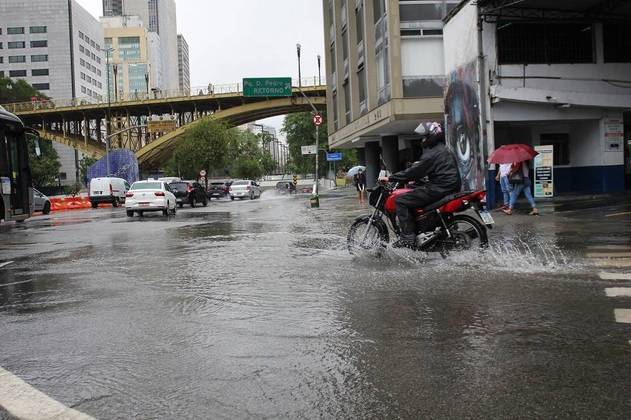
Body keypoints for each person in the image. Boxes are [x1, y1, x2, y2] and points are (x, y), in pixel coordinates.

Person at [379, 122, 462, 248]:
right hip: (449, 186)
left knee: (401, 201)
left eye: (425, 137)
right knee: (415, 191)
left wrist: (391, 178)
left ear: (432, 136)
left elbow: (414, 172)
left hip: (440, 188)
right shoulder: (444, 150)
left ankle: (408, 237)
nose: (423, 139)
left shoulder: (431, 154)